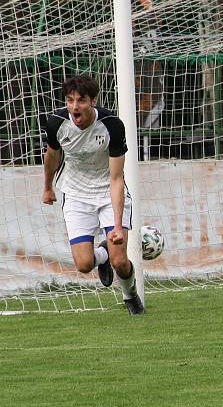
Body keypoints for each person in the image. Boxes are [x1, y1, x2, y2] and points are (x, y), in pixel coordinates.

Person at [42, 75, 145, 314]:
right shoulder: (57, 123)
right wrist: (47, 187)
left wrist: (118, 226)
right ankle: (103, 254)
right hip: (76, 194)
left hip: (107, 191)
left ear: (93, 101)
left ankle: (130, 297)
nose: (75, 107)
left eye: (81, 101)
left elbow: (116, 178)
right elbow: (52, 157)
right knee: (84, 264)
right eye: (70, 100)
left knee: (120, 261)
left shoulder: (112, 126)